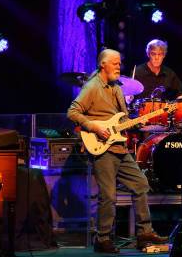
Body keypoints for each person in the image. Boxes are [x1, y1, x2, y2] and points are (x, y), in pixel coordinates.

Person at [67, 49, 167, 253]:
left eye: (120, 63)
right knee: (109, 196)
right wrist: (95, 127)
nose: (119, 66)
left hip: (119, 147)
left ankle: (144, 233)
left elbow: (121, 119)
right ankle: (102, 239)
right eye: (115, 63)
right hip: (103, 149)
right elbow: (72, 111)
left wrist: (140, 121)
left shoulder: (117, 87)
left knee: (140, 184)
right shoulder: (93, 86)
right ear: (103, 64)